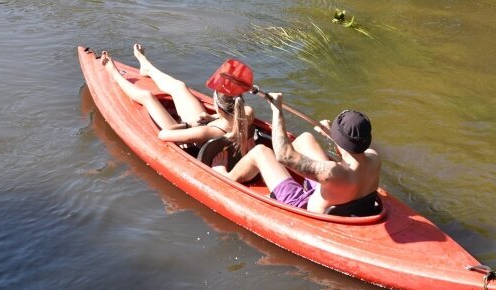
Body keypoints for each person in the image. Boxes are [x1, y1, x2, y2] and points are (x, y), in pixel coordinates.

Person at [216, 92, 380, 215]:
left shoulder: (332, 172)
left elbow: (283, 155)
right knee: (305, 139)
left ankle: (225, 177)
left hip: (303, 207)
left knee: (260, 152)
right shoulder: (374, 158)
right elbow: (350, 154)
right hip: (343, 198)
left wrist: (277, 111)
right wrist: (331, 134)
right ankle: (283, 174)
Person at [100, 44, 252, 156]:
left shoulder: (206, 132)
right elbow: (227, 117)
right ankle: (146, 67)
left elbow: (164, 135)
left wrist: (187, 124)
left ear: (218, 106)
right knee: (180, 87)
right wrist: (211, 117)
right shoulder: (247, 113)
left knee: (147, 97)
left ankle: (115, 74)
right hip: (205, 127)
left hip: (189, 138)